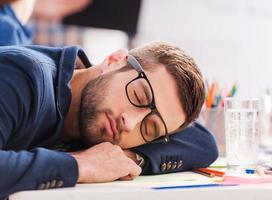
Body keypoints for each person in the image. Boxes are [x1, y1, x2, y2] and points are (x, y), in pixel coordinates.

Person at [0, 41, 218, 198]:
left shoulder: (102, 120)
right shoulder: (23, 76)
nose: (129, 123)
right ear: (114, 61)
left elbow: (203, 143)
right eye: (138, 96)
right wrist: (81, 165)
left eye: (149, 129)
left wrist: (125, 159)